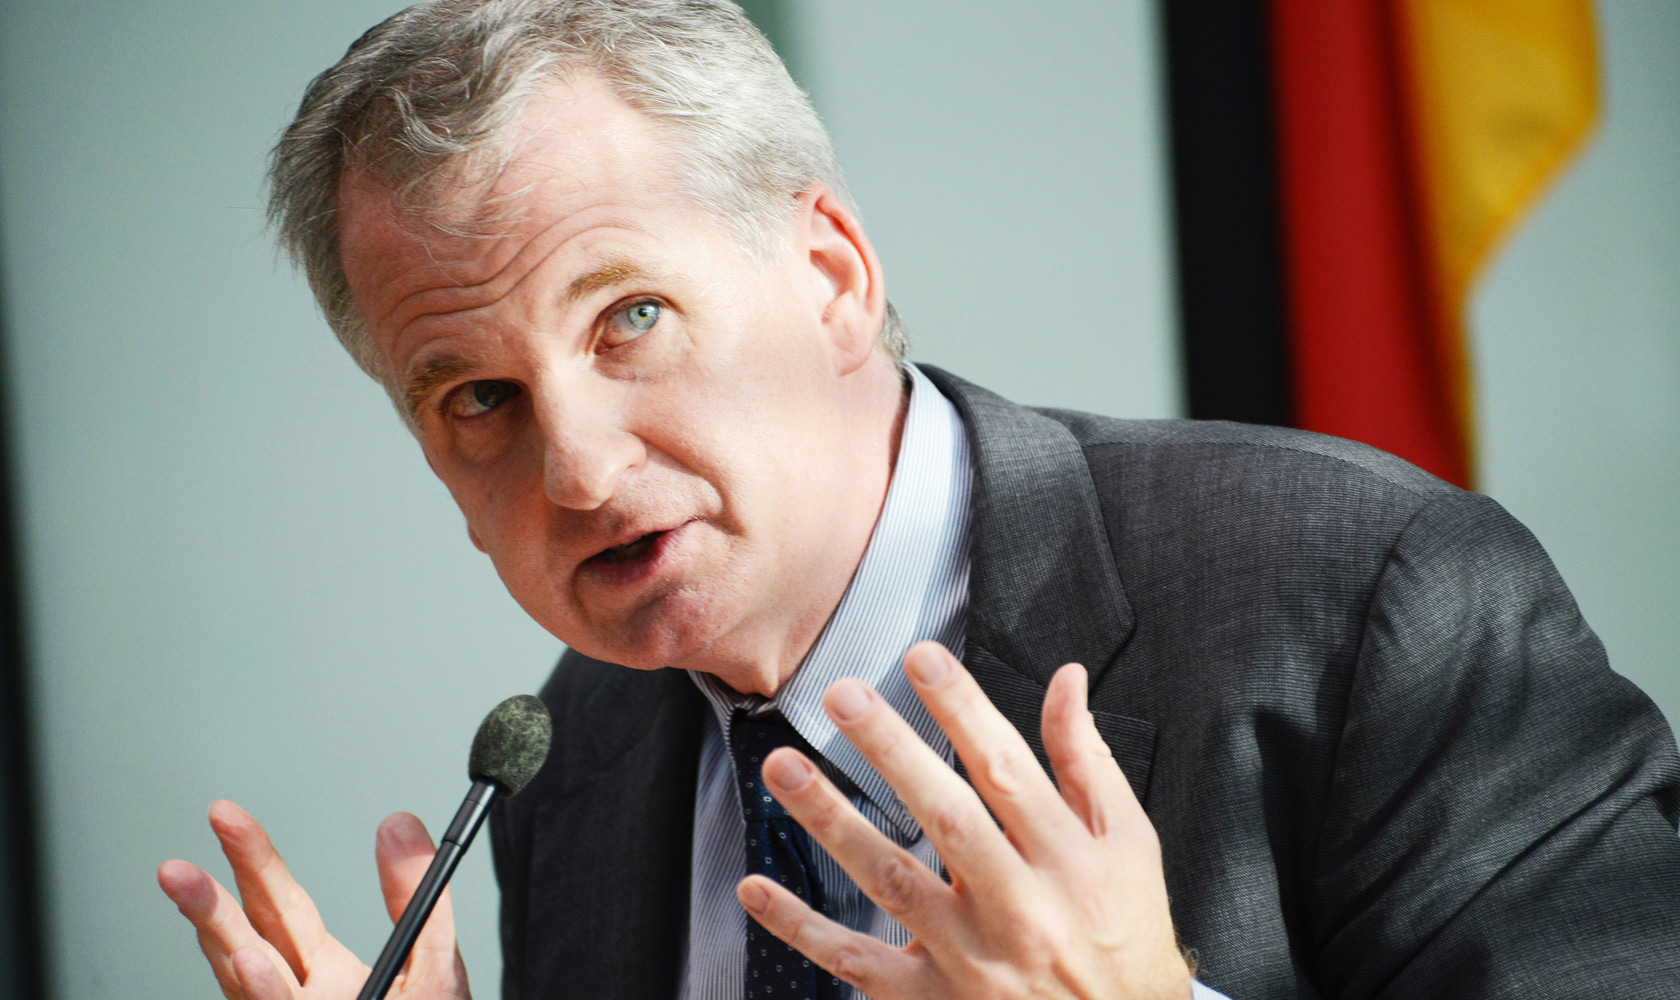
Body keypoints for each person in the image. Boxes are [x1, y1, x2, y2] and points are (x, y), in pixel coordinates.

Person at [157, 2, 1680, 998]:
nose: (580, 472)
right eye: (478, 399)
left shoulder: (1375, 598)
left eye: (631, 319)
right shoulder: (577, 757)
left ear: (831, 279)